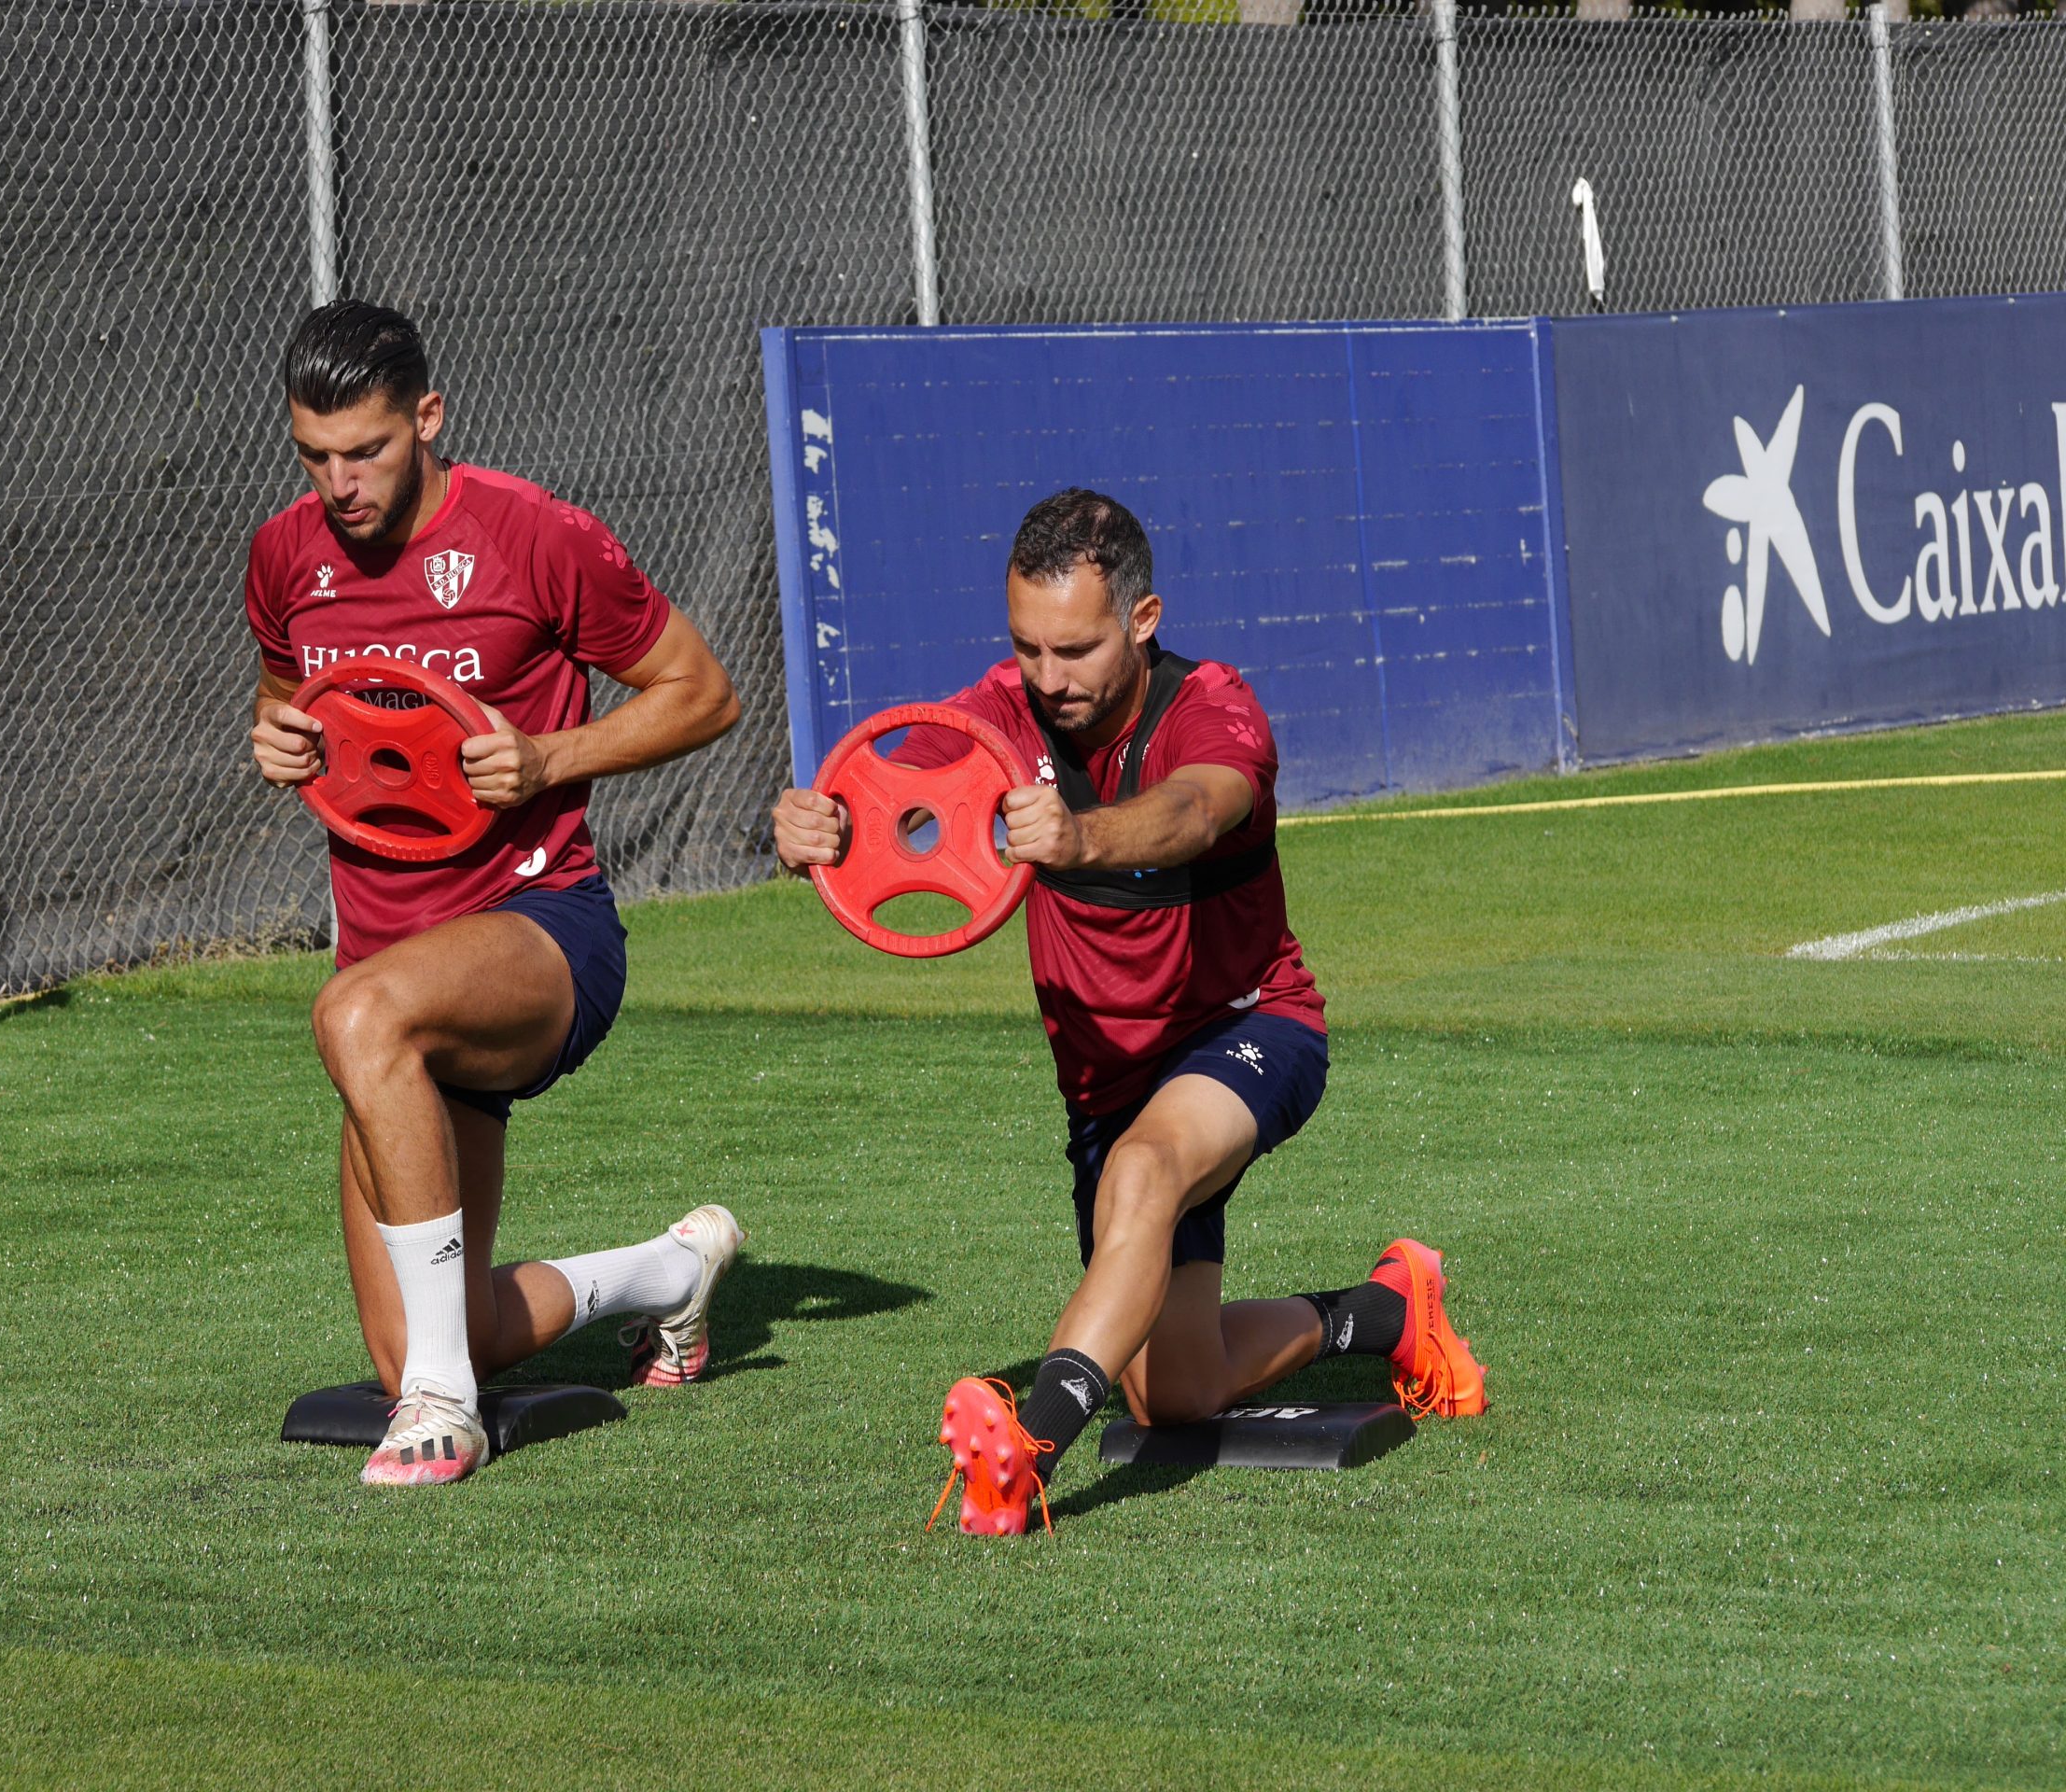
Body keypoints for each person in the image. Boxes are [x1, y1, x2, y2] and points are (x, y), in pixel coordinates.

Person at [771, 489, 1487, 1535]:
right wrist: (811, 829)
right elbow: (888, 803)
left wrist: (1080, 839)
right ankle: (1386, 1309)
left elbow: (1198, 808)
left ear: (1141, 624)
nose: (1048, 679)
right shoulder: (1002, 714)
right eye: (1027, 649)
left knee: (1147, 1171)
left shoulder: (1211, 705)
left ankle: (1030, 1446)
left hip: (1249, 1031)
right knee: (1177, 1392)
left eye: (1074, 650)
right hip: (1107, 1086)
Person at [246, 299, 747, 1488]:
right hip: (395, 978)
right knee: (414, 1341)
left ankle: (446, 1412)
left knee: (356, 1016)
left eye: (364, 450)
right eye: (314, 456)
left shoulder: (538, 535)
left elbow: (702, 691)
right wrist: (275, 742)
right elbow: (287, 702)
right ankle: (668, 1275)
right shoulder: (283, 556)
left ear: (427, 419)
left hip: (540, 935)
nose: (340, 483)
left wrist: (550, 756)